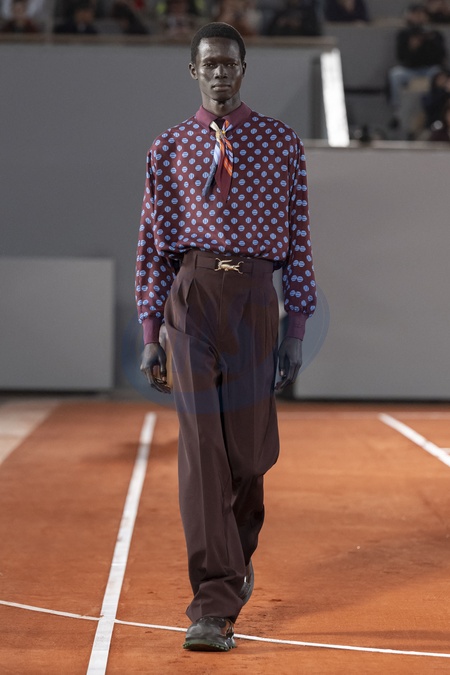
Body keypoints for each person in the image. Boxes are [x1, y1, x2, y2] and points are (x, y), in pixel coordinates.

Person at [135, 21, 316, 652]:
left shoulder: (280, 142)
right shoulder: (168, 147)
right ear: (194, 71)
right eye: (209, 64)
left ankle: (236, 556)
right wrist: (151, 329)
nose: (219, 73)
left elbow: (299, 239)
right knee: (202, 453)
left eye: (229, 63)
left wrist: (296, 328)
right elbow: (151, 245)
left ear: (243, 69)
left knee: (248, 454)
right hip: (192, 301)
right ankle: (212, 604)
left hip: (255, 304)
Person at [388, 3, 447, 123]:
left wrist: (427, 43)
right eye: (415, 14)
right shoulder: (404, 35)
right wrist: (412, 48)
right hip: (410, 70)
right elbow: (401, 57)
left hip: (429, 69)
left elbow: (440, 56)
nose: (418, 17)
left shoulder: (435, 35)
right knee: (395, 74)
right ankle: (397, 109)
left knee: (438, 73)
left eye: (421, 14)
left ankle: (434, 107)